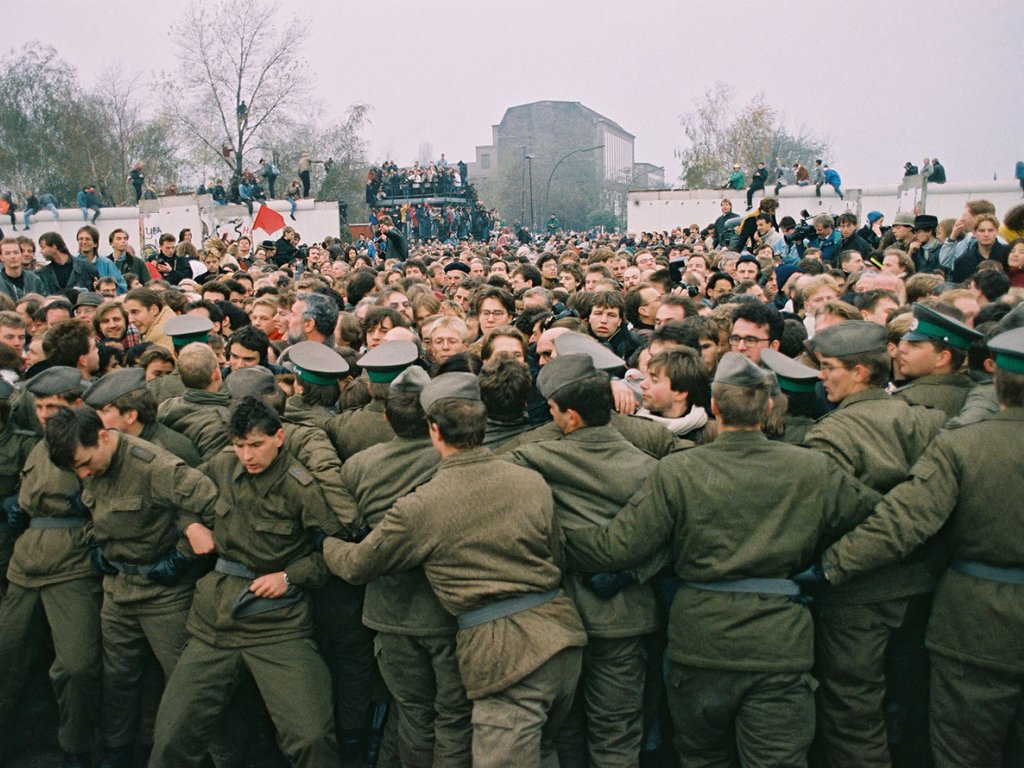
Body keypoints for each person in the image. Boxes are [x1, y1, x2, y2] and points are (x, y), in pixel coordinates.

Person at [562, 352, 880, 766]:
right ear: (767, 406)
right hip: (779, 642)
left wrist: (556, 539)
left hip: (700, 640)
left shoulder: (680, 470)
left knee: (703, 758)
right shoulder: (812, 468)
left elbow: (618, 546)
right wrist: (831, 566)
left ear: (713, 405)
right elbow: (879, 520)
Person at [322, 373, 587, 767]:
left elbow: (358, 566)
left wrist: (327, 545)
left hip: (503, 654)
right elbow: (556, 556)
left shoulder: (423, 504)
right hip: (562, 638)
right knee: (543, 750)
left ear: (435, 431)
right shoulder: (531, 482)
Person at [815, 325, 1024, 768]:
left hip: (963, 615)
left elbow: (905, 519)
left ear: (998, 380)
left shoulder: (963, 444)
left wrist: (831, 565)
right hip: (929, 589)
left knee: (952, 741)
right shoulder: (933, 423)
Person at [148, 398, 344, 768]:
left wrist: (289, 576)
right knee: (172, 735)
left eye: (256, 445)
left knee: (312, 736)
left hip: (278, 624)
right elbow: (183, 498)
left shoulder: (301, 487)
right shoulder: (221, 467)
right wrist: (190, 525)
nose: (247, 455)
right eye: (239, 445)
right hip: (215, 621)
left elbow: (331, 553)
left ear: (279, 437)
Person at [801, 321, 946, 766]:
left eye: (828, 368)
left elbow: (820, 518)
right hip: (922, 586)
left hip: (854, 594)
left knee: (852, 710)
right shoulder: (929, 420)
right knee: (915, 701)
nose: (820, 377)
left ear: (860, 372)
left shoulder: (830, 434)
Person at [42, 402, 218, 768]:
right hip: (118, 589)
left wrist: (184, 550)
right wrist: (96, 542)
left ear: (104, 437)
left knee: (185, 683)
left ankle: (201, 757)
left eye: (86, 464)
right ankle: (116, 751)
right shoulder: (87, 461)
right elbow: (96, 511)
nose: (85, 474)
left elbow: (213, 503)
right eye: (78, 469)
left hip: (164, 594)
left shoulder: (154, 465)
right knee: (118, 680)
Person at [507, 353, 658, 767]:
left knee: (564, 726)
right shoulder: (649, 468)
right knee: (618, 729)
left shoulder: (535, 456)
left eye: (553, 411)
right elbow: (670, 537)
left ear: (570, 417)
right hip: (625, 615)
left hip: (560, 617)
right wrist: (633, 571)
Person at [0, 369, 94, 768]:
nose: (42, 414)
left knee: (77, 665)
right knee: (7, 656)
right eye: (38, 406)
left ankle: (75, 746)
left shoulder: (89, 443)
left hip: (73, 561)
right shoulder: (37, 447)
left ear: (77, 406)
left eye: (52, 407)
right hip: (25, 563)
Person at [895, 303, 982, 417]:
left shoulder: (906, 401)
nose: (901, 348)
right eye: (905, 341)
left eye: (914, 344)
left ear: (942, 358)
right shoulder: (979, 396)